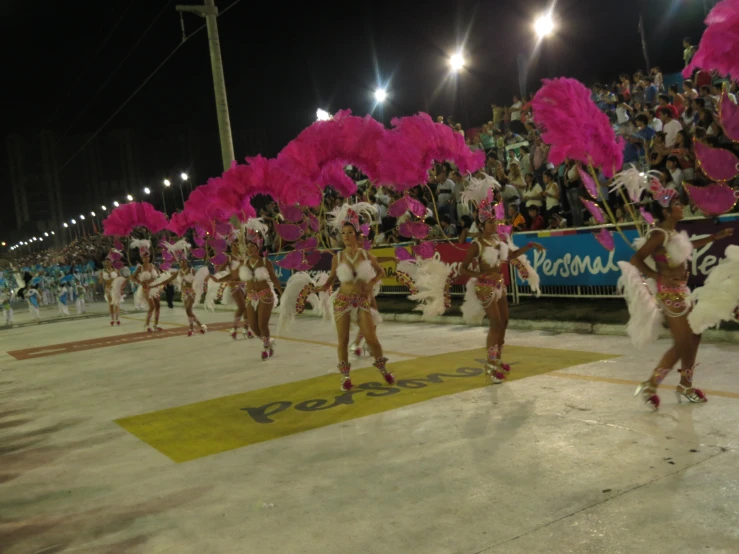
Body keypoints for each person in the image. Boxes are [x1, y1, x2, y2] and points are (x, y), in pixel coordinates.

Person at [620, 185, 734, 411]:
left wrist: (714, 237)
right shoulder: (659, 234)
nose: (681, 208)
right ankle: (651, 385)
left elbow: (687, 247)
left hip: (683, 291)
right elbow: (636, 259)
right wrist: (657, 275)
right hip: (669, 294)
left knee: (695, 336)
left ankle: (685, 385)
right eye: (676, 205)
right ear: (665, 211)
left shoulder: (672, 234)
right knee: (683, 342)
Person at [459, 189, 544, 384]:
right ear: (481, 225)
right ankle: (490, 365)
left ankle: (498, 359)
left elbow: (511, 257)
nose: (495, 224)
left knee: (504, 322)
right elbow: (463, 269)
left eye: (495, 221)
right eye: (490, 222)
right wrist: (477, 274)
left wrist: (529, 245)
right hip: (485, 287)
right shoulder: (477, 244)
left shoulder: (498, 240)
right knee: (496, 324)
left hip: (499, 285)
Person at [318, 203, 394, 391]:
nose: (345, 236)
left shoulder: (365, 255)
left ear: (357, 235)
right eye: (343, 233)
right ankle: (345, 377)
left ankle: (383, 369)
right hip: (342, 301)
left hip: (361, 301)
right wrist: (323, 287)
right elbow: (332, 278)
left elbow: (381, 272)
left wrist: (371, 282)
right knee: (342, 340)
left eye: (349, 232)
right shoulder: (338, 257)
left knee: (371, 338)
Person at [241, 219, 283, 360]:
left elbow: (274, 278)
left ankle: (265, 348)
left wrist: (282, 293)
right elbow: (236, 276)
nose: (249, 249)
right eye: (248, 247)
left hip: (265, 295)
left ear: (258, 247)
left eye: (252, 247)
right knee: (253, 326)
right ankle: (268, 342)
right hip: (250, 297)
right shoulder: (245, 262)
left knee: (262, 324)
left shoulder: (265, 262)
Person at [131, 241, 163, 332]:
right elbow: (133, 277)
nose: (147, 258)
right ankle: (146, 324)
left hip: (155, 288)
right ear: (142, 258)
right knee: (152, 306)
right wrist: (141, 282)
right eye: (145, 256)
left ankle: (156, 325)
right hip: (146, 289)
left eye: (148, 256)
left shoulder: (153, 266)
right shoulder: (140, 268)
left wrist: (160, 284)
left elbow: (159, 276)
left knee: (158, 306)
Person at [101, 257, 123, 326]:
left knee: (116, 303)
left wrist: (121, 286)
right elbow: (101, 281)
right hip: (108, 288)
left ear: (111, 262)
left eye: (109, 262)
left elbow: (121, 278)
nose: (107, 263)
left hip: (115, 287)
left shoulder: (116, 270)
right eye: (106, 262)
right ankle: (112, 319)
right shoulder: (102, 271)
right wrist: (101, 279)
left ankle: (117, 318)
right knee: (111, 304)